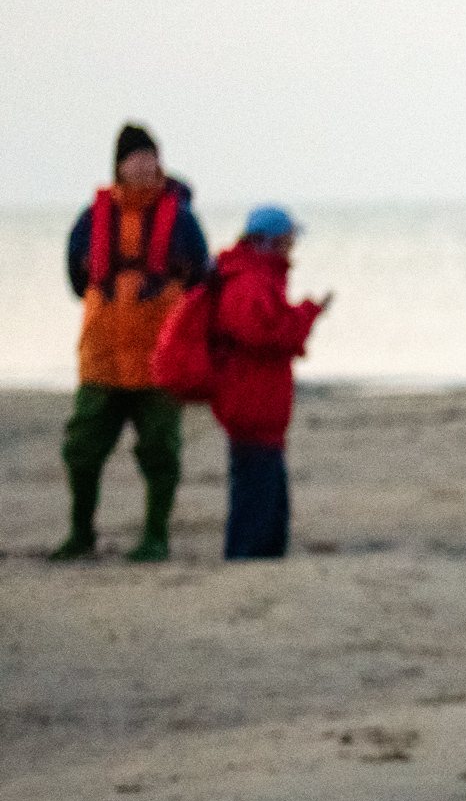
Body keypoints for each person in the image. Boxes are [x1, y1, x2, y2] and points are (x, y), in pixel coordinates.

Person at [54, 124, 210, 561]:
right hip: (101, 358)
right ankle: (81, 533)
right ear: (118, 166)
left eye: (151, 156)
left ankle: (156, 536)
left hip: (160, 362)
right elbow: (74, 280)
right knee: (81, 448)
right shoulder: (90, 220)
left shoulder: (181, 219)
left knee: (161, 452)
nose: (145, 164)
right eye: (135, 157)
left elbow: (202, 279)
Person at [204, 207, 331, 560]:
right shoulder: (250, 278)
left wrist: (303, 315)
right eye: (289, 238)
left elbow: (265, 328)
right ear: (272, 240)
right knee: (257, 488)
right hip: (251, 400)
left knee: (266, 489)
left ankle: (260, 555)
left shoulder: (257, 276)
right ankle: (248, 557)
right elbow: (258, 333)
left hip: (258, 400)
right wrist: (305, 316)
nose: (292, 246)